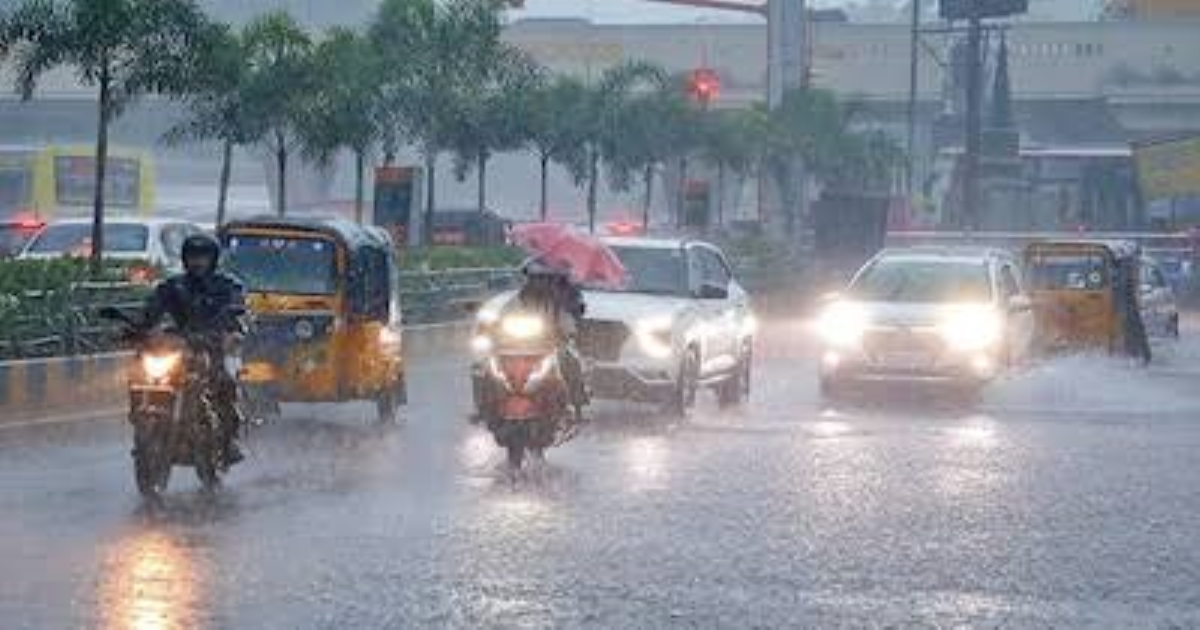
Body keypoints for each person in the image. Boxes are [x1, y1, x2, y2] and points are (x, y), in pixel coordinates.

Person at [139, 234, 247, 468]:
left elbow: (236, 309)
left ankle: (229, 442)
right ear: (185, 259)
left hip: (214, 347)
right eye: (193, 256)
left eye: (203, 257)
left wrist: (227, 327)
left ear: (213, 259)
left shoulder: (227, 285)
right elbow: (153, 309)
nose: (198, 262)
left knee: (226, 382)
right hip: (182, 347)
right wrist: (140, 327)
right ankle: (145, 425)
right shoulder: (173, 286)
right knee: (145, 375)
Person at [515, 259, 589, 417]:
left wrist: (566, 327)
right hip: (523, 340)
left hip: (554, 339)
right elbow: (514, 309)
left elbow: (573, 312)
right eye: (537, 277)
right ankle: (486, 405)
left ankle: (576, 403)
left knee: (569, 361)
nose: (542, 281)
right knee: (486, 365)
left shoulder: (568, 291)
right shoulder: (526, 292)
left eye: (546, 277)